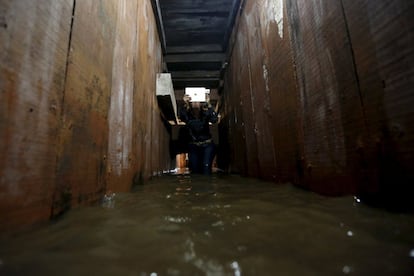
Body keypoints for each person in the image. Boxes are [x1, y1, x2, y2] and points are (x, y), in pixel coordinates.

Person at [179, 94, 218, 174]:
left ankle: (207, 184)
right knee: (194, 169)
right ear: (190, 103)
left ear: (201, 103)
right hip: (193, 146)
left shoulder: (205, 113)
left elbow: (214, 119)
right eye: (193, 101)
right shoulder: (187, 115)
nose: (195, 103)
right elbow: (182, 115)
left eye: (198, 101)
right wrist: (184, 104)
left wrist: (209, 104)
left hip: (207, 145)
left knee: (206, 167)